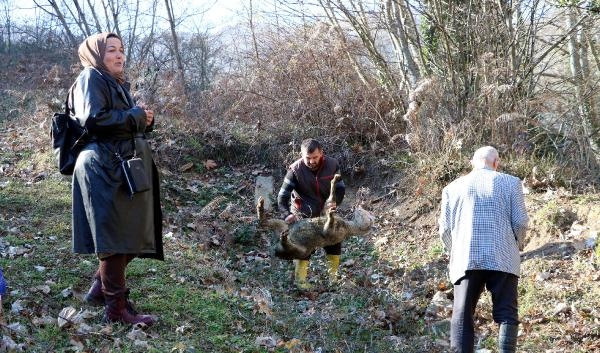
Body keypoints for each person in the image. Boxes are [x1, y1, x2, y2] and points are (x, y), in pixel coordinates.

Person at [70, 32, 163, 326]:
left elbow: (123, 122)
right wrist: (135, 116)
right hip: (102, 167)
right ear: (97, 54)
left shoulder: (115, 83)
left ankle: (101, 288)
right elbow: (93, 120)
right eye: (111, 50)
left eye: (121, 50)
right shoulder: (90, 77)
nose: (119, 55)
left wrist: (143, 119)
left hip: (121, 167)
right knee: (114, 238)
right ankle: (116, 309)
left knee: (133, 234)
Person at [438, 146, 529, 353]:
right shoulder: (511, 183)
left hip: (466, 257)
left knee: (462, 313)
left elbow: (444, 230)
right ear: (496, 162)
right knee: (507, 313)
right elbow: (521, 223)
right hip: (503, 256)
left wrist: (455, 251)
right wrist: (516, 245)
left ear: (472, 162)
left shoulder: (452, 188)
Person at [277, 138, 345, 289]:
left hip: (326, 215)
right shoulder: (294, 170)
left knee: (334, 241)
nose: (311, 161)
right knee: (304, 247)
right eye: (307, 158)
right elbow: (282, 196)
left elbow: (340, 189)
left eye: (315, 157)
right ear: (301, 155)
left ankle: (333, 279)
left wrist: (336, 201)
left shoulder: (332, 165)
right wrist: (286, 214)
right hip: (303, 215)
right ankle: (301, 282)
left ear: (321, 153)